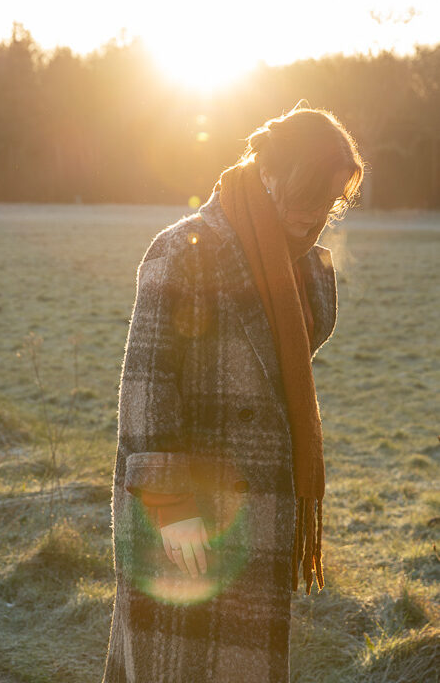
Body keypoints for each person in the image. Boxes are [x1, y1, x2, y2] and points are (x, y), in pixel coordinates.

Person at [101, 102, 365, 683]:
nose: (317, 217)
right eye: (310, 196)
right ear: (270, 173)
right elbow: (146, 387)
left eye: (329, 202)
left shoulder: (298, 265)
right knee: (176, 666)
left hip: (255, 510)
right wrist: (171, 506)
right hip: (186, 516)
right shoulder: (185, 250)